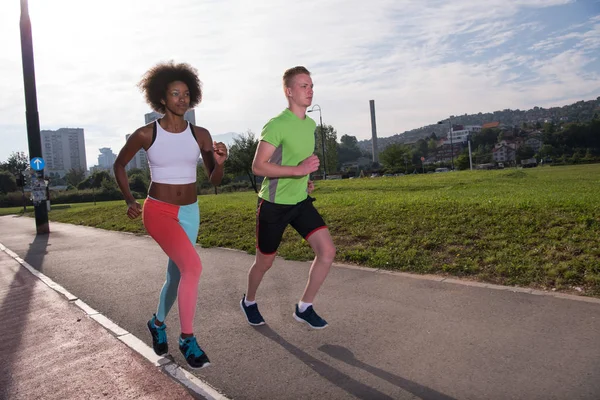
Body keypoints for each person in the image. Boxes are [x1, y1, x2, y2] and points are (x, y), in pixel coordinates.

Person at [114, 61, 227, 369]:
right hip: (159, 212)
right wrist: (128, 199)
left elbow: (214, 180)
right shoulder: (145, 134)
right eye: (175, 93)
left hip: (190, 212)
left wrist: (220, 162)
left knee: (177, 275)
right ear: (161, 99)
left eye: (186, 93)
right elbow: (119, 166)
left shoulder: (201, 134)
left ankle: (157, 322)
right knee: (193, 267)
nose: (182, 99)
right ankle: (187, 338)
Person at [240, 66, 336, 329]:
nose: (310, 90)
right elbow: (259, 166)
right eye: (304, 86)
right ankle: (249, 301)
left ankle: (304, 307)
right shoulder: (277, 125)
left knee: (327, 251)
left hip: (299, 203)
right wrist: (298, 171)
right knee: (264, 263)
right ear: (289, 91)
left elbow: (296, 162)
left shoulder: (311, 124)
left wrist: (305, 180)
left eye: (312, 85)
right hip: (273, 205)